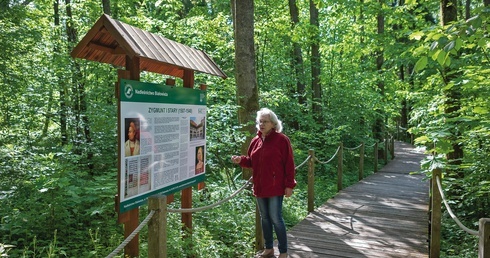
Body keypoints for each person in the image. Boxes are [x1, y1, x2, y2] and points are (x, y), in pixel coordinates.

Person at [231, 108, 296, 258]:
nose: (262, 124)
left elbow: (289, 164)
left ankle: (283, 251)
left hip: (275, 187)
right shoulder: (255, 141)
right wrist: (241, 160)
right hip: (260, 187)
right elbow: (251, 162)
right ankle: (268, 248)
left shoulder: (282, 140)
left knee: (276, 218)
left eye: (265, 121)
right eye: (260, 121)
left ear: (273, 124)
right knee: (265, 218)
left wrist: (289, 185)